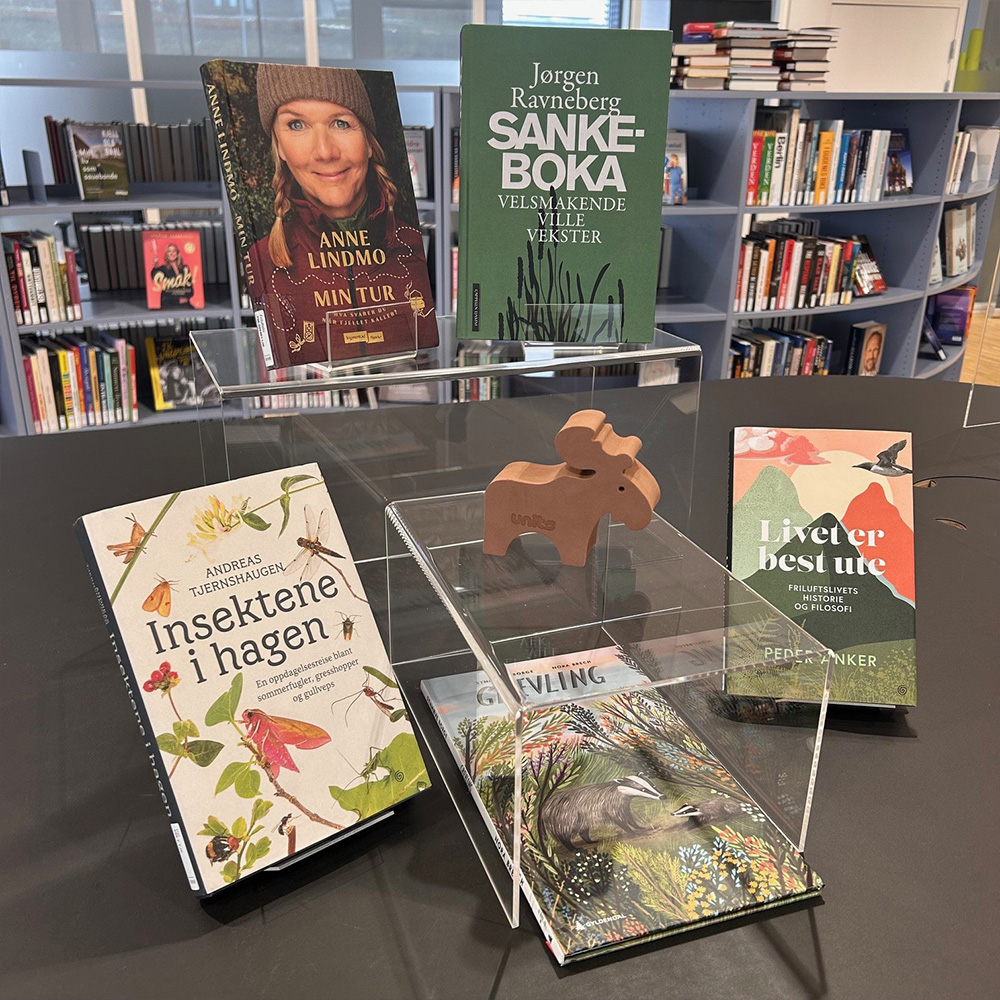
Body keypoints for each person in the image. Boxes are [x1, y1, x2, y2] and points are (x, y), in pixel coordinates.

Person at [250, 64, 436, 363]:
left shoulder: (413, 245)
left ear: (369, 143)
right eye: (296, 125)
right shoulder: (261, 261)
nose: (325, 152)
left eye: (341, 123)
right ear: (280, 148)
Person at [149, 242, 195, 308]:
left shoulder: (184, 268)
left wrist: (186, 298)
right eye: (169, 251)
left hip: (184, 301)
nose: (171, 253)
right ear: (166, 254)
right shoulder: (162, 269)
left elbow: (190, 289)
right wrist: (155, 267)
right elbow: (155, 277)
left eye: (174, 251)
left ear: (177, 253)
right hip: (168, 301)